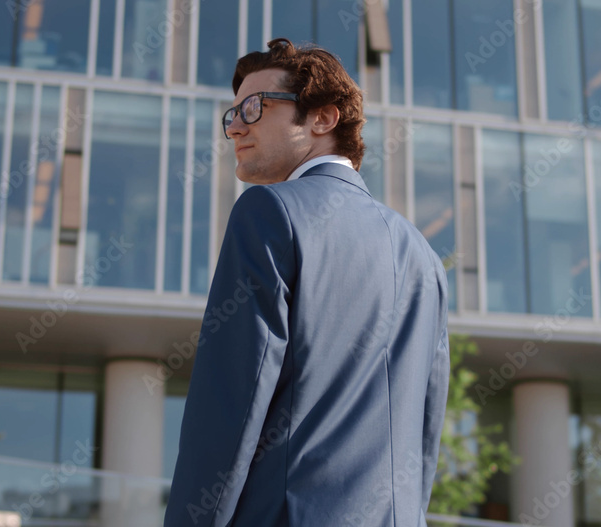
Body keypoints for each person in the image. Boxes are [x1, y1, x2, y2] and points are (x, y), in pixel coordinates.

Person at [164, 38, 450, 526]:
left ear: (323, 118)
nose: (234, 127)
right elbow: (425, 431)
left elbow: (231, 401)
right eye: (230, 114)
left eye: (254, 108)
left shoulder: (270, 212)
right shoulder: (423, 255)